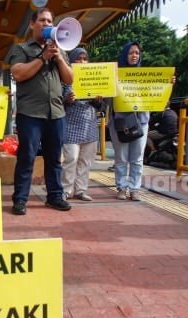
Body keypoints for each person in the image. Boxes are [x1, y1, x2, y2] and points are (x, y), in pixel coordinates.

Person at [6, 7, 74, 215]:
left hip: (56, 113)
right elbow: (18, 73)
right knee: (27, 157)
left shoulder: (60, 50)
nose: (47, 24)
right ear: (32, 24)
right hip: (30, 114)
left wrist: (59, 58)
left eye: (50, 21)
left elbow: (69, 79)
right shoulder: (22, 49)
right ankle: (20, 199)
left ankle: (54, 196)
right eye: (43, 20)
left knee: (54, 159)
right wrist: (43, 57)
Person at [108, 41, 150, 201]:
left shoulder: (147, 77)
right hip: (120, 122)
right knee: (121, 157)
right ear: (125, 55)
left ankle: (134, 189)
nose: (134, 56)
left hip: (141, 121)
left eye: (137, 53)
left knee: (137, 157)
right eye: (131, 53)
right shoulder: (115, 75)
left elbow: (159, 95)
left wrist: (168, 83)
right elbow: (108, 99)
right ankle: (121, 188)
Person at [61, 47, 105, 202]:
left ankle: (80, 190)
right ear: (72, 61)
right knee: (71, 158)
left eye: (84, 59)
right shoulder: (66, 78)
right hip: (71, 125)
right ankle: (66, 190)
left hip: (90, 126)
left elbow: (101, 106)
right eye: (78, 59)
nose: (81, 62)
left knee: (85, 161)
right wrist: (67, 100)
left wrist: (97, 101)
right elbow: (58, 101)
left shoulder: (95, 78)